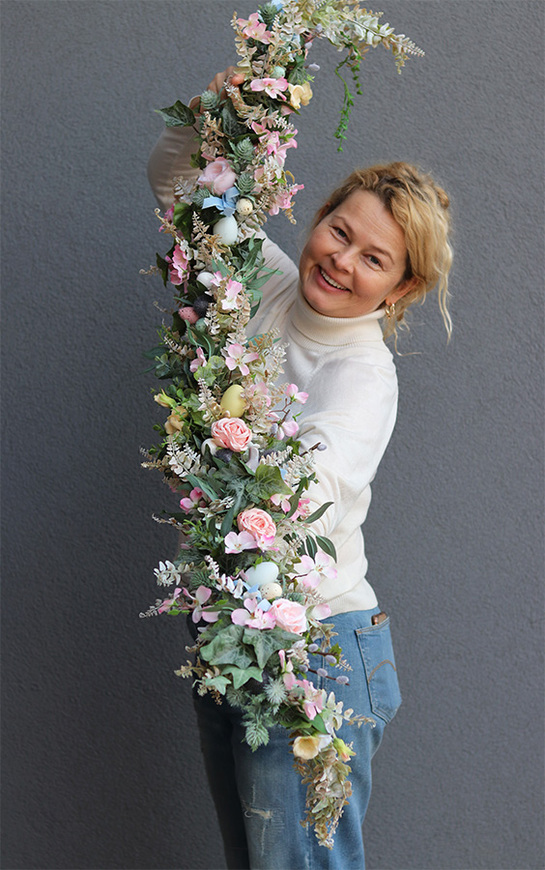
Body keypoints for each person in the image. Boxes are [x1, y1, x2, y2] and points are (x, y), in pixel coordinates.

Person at [148, 68, 452, 870]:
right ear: (314, 219)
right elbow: (178, 183)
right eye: (337, 231)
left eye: (373, 258)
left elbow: (292, 494)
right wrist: (230, 102)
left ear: (403, 286)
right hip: (239, 631)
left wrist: (226, 402)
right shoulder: (271, 286)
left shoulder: (363, 380)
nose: (341, 260)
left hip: (316, 652)